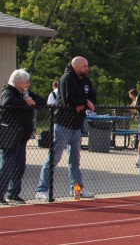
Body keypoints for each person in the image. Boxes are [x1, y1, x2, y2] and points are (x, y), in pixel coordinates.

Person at [36, 56, 96, 199]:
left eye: (87, 66)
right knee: (54, 158)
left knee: (75, 160)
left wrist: (84, 102)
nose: (87, 69)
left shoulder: (86, 81)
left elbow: (93, 98)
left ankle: (76, 189)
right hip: (62, 125)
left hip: (76, 126)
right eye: (84, 66)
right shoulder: (66, 79)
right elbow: (68, 98)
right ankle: (42, 190)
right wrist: (84, 101)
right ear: (76, 66)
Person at [0, 70, 41, 205]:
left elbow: (42, 100)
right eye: (26, 82)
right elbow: (6, 102)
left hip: (22, 137)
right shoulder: (8, 92)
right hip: (10, 136)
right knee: (7, 166)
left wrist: (32, 101)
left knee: (19, 167)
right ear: (18, 82)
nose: (28, 84)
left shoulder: (25, 93)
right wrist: (24, 102)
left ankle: (13, 193)